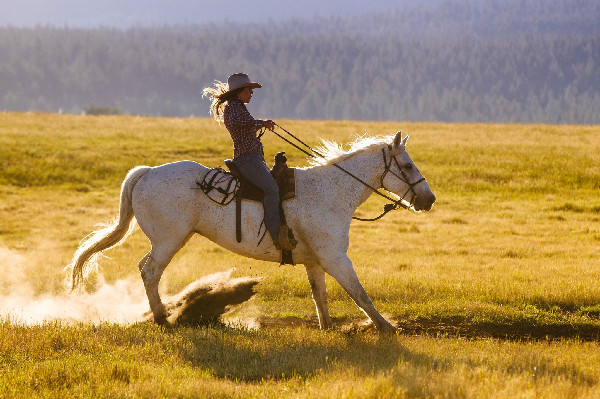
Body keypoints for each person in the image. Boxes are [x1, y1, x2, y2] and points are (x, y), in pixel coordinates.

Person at [202, 73, 297, 251]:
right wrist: (262, 123)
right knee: (271, 189)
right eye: (248, 89)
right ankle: (277, 235)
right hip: (247, 159)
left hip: (253, 158)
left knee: (272, 184)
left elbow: (245, 122)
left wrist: (260, 124)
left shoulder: (238, 107)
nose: (251, 93)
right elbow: (241, 122)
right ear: (239, 92)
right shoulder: (233, 109)